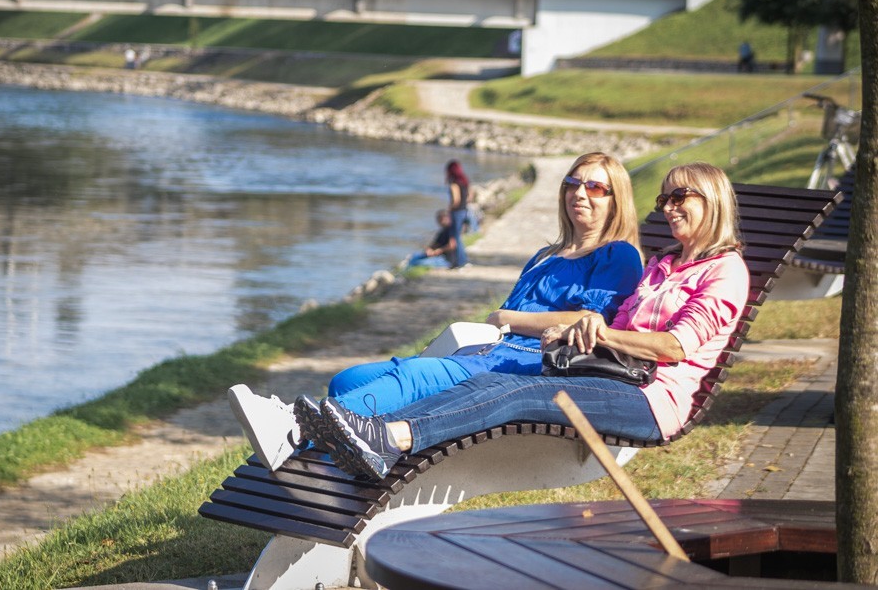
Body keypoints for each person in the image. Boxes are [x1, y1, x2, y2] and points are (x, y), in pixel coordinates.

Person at [298, 162, 750, 481]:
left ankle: (388, 437)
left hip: (652, 399)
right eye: (664, 197)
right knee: (483, 385)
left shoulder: (725, 271)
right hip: (610, 375)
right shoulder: (665, 264)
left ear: (711, 201)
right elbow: (616, 327)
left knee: (514, 388)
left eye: (680, 197)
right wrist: (574, 331)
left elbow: (675, 346)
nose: (668, 206)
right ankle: (377, 437)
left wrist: (600, 330)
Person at [229, 152, 644, 470]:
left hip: (524, 371)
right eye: (574, 183)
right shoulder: (546, 255)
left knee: (414, 376)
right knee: (347, 380)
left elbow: (590, 322)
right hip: (487, 355)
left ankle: (293, 431)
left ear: (615, 201)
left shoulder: (618, 255)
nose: (580, 194)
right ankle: (337, 468)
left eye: (596, 188)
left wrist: (507, 319)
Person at [445, 160, 471, 268]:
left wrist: (449, 210)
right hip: (464, 210)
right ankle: (461, 260)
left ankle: (460, 261)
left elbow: (456, 200)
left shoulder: (454, 184)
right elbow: (469, 196)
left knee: (455, 237)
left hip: (457, 212)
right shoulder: (465, 182)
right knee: (459, 236)